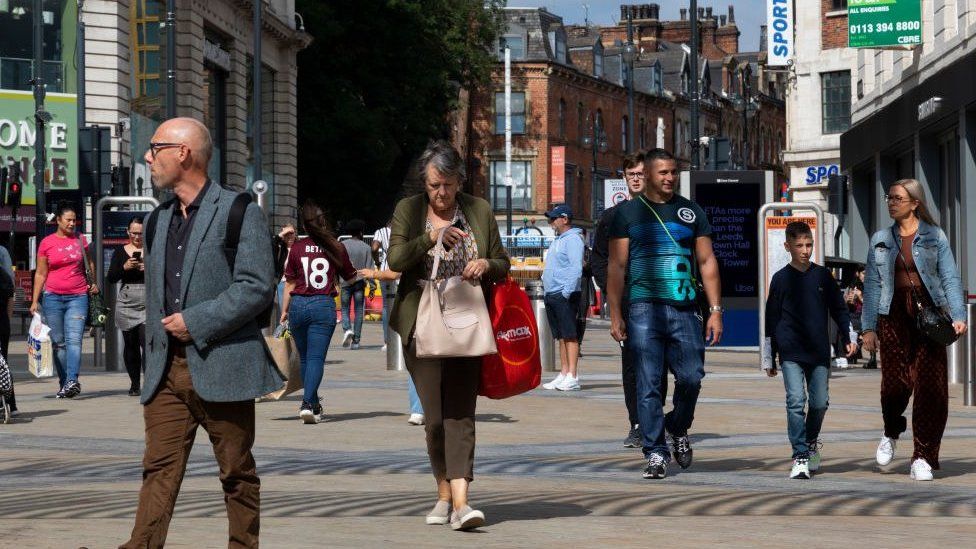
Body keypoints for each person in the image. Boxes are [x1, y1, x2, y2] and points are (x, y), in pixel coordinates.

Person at [121, 117, 281, 548]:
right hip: (165, 369)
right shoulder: (157, 220)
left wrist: (197, 321)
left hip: (221, 364)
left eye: (155, 148)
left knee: (236, 472)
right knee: (158, 470)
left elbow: (256, 286)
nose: (147, 157)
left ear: (183, 153)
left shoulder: (238, 210)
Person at [387, 140, 509, 531]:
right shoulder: (409, 210)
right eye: (435, 185)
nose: (442, 193)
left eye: (449, 185)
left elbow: (503, 263)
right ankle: (442, 491)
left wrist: (485, 263)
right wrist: (432, 238)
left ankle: (461, 502)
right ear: (425, 182)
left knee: (461, 414)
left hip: (467, 321)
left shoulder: (479, 209)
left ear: (460, 181)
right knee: (435, 419)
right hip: (421, 322)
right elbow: (395, 261)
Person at [607, 148, 723, 480]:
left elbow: (707, 262)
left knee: (691, 377)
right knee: (648, 382)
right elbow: (616, 266)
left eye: (673, 172)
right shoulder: (627, 214)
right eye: (663, 173)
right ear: (647, 175)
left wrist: (715, 311)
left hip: (685, 308)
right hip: (643, 307)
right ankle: (656, 452)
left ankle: (676, 426)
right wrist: (616, 314)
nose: (670, 178)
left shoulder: (690, 211)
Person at [861, 179, 967, 482]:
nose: (891, 203)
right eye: (889, 197)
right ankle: (891, 429)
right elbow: (872, 284)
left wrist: (958, 314)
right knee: (894, 385)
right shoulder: (880, 239)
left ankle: (923, 455)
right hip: (892, 314)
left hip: (929, 314)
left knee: (931, 388)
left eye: (897, 198)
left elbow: (949, 277)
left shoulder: (934, 236)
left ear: (914, 203)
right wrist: (868, 327)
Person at [764, 221, 857, 479]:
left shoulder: (822, 276)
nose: (805, 250)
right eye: (799, 245)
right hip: (790, 351)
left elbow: (838, 307)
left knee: (819, 403)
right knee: (795, 402)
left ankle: (811, 440)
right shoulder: (780, 279)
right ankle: (800, 455)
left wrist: (848, 335)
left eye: (809, 245)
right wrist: (769, 357)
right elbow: (770, 318)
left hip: (818, 351)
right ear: (788, 246)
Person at [592, 151, 653, 448]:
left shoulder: (662, 213)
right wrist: (612, 292)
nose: (637, 179)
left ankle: (655, 419)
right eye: (632, 175)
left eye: (641, 173)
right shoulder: (612, 217)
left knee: (656, 362)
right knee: (632, 363)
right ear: (625, 179)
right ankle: (637, 423)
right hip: (628, 301)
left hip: (657, 298)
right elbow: (598, 259)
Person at [280, 200, 357, 423]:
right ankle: (307, 403)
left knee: (305, 358)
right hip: (323, 304)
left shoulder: (296, 248)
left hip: (298, 305)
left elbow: (290, 283)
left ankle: (313, 404)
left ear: (304, 225)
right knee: (315, 358)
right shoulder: (335, 246)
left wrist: (284, 311)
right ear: (323, 221)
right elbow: (351, 277)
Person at [30, 202, 98, 399]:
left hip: (78, 296)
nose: (72, 223)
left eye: (74, 220)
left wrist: (92, 282)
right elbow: (41, 274)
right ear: (58, 220)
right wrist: (35, 300)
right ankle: (64, 383)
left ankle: (72, 380)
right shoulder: (47, 243)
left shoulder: (80, 239)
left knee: (74, 340)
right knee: (59, 343)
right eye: (68, 220)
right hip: (52, 298)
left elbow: (90, 262)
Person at [359, 265, 425, 425]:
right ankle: (429, 409)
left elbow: (395, 271)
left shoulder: (416, 246)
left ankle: (418, 410)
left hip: (417, 307)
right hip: (441, 308)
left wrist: (374, 273)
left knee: (415, 361)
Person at [540, 204, 584, 391]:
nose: (551, 222)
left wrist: (566, 292)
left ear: (564, 219)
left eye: (553, 218)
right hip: (553, 293)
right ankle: (564, 373)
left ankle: (572, 375)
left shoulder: (573, 239)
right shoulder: (558, 240)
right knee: (560, 336)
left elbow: (576, 268)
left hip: (564, 294)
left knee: (570, 335)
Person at [107, 217, 147, 396]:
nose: (137, 237)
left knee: (147, 342)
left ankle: (150, 381)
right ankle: (135, 383)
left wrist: (150, 268)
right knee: (130, 344)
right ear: (128, 232)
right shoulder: (120, 251)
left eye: (140, 233)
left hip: (148, 300)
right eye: (134, 233)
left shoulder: (152, 250)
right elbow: (111, 278)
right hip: (127, 300)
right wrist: (124, 266)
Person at [339, 219, 373, 350]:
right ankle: (356, 341)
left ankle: (347, 329)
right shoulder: (367, 248)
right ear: (360, 232)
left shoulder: (342, 245)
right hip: (360, 282)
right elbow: (370, 268)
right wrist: (372, 285)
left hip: (345, 282)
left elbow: (338, 264)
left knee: (345, 308)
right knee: (359, 311)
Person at [846, 266, 876, 369]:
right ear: (858, 274)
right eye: (863, 273)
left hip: (867, 316)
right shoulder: (853, 286)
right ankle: (852, 353)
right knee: (850, 329)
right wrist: (849, 300)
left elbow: (871, 305)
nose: (865, 276)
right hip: (855, 315)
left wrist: (860, 297)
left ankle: (873, 358)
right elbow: (848, 305)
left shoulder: (872, 287)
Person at [371, 221, 394, 351]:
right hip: (401, 272)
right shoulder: (405, 228)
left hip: (385, 271)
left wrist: (377, 261)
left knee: (386, 306)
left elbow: (374, 248)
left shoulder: (381, 231)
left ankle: (387, 341)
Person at [0, 243, 15, 413]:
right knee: (3, 362)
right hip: (3, 322)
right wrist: (8, 320)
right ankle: (9, 403)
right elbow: (10, 297)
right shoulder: (3, 275)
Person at [274, 223, 297, 310]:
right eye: (287, 234)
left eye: (291, 233)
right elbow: (272, 244)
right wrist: (282, 234)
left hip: (297, 284)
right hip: (283, 283)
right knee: (284, 311)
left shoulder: (299, 247)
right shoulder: (280, 248)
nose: (289, 236)